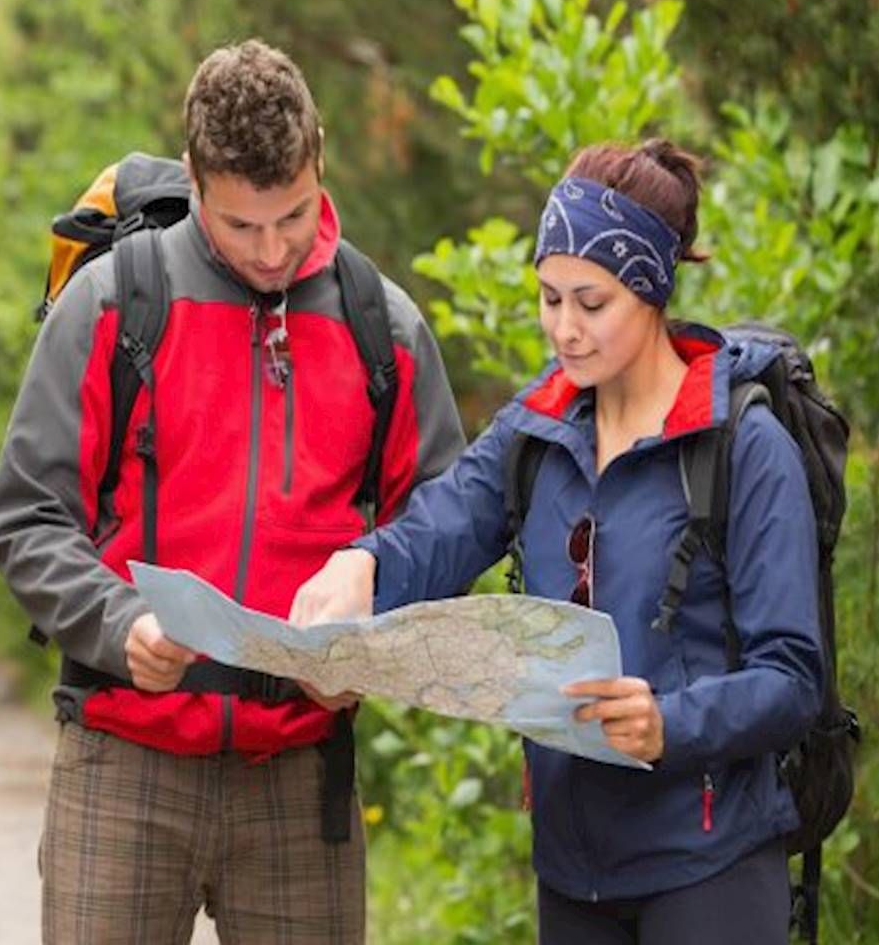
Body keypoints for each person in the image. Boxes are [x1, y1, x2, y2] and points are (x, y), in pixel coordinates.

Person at [0, 39, 465, 944]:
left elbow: (446, 525)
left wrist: (363, 644)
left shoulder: (383, 329)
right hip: (122, 757)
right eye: (242, 226)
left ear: (319, 162)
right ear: (197, 182)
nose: (273, 249)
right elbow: (24, 516)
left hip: (301, 774)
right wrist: (117, 623)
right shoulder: (115, 306)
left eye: (293, 215)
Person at [291, 140, 824, 944]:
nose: (564, 330)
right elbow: (440, 529)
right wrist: (361, 565)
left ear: (649, 292)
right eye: (548, 298)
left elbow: (792, 678)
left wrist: (669, 724)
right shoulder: (536, 430)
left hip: (712, 865)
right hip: (573, 874)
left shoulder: (743, 448)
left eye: (591, 303)